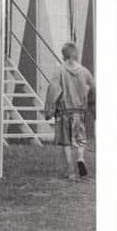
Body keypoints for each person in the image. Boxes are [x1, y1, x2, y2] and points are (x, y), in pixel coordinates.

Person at [45, 42, 95, 181]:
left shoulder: (59, 71)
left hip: (64, 113)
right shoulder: (85, 72)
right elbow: (93, 89)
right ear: (76, 54)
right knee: (80, 140)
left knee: (66, 143)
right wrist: (94, 109)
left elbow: (53, 90)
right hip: (80, 112)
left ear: (63, 55)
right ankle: (80, 159)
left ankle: (71, 172)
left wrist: (49, 111)